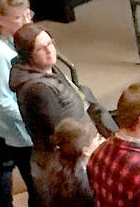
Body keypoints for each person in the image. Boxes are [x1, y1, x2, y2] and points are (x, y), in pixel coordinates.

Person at [12, 21, 110, 162]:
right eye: (41, 48)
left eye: (50, 43)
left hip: (85, 141)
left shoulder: (49, 69)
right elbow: (64, 133)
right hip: (75, 155)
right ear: (29, 55)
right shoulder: (38, 89)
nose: (49, 50)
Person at [0, 0, 36, 207]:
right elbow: (3, 101)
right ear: (1, 20)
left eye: (28, 15)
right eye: (18, 18)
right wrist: (33, 118)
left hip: (22, 129)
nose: (26, 22)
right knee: (34, 186)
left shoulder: (17, 42)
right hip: (17, 132)